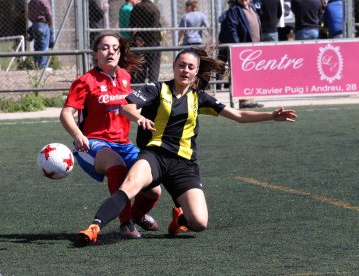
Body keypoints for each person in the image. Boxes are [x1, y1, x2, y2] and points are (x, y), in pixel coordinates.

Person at [75, 47, 297, 245]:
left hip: (184, 164)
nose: (185, 70)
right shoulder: (157, 89)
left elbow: (238, 115)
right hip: (154, 156)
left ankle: (180, 219)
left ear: (196, 72)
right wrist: (138, 118)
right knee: (129, 186)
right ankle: (94, 228)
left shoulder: (199, 97)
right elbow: (127, 107)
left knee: (199, 223)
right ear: (174, 67)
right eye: (181, 65)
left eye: (191, 67)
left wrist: (271, 115)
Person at [60, 33, 161, 239]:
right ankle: (125, 223)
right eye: (104, 48)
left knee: (154, 190)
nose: (110, 52)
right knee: (117, 166)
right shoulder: (85, 81)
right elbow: (65, 113)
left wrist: (139, 118)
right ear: (96, 53)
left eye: (115, 48)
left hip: (123, 143)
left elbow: (129, 107)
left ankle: (136, 215)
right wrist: (78, 134)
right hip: (92, 144)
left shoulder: (125, 77)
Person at [219, 0, 264, 108]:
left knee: (252, 74)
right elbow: (232, 29)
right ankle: (244, 101)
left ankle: (252, 99)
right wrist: (237, 47)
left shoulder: (252, 7)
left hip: (255, 48)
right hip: (243, 50)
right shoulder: (235, 10)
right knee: (244, 75)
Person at [129, 0, 162, 83]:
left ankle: (140, 88)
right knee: (154, 68)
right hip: (153, 41)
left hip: (140, 42)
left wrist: (137, 38)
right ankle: (153, 88)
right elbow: (156, 27)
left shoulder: (137, 7)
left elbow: (131, 25)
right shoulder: (154, 8)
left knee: (141, 67)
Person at [27, 0, 54, 68]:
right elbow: (49, 14)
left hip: (35, 25)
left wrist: (35, 22)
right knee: (43, 46)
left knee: (37, 46)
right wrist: (49, 25)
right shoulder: (44, 1)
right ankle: (42, 65)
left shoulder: (31, 2)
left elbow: (29, 15)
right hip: (43, 24)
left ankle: (37, 64)